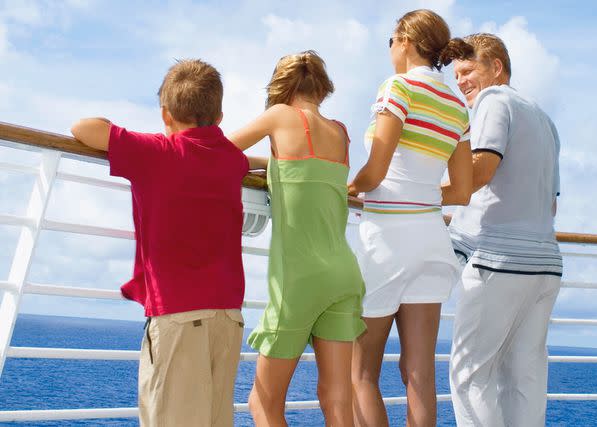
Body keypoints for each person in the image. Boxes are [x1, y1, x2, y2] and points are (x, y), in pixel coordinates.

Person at [70, 59, 248, 427]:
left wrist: (159, 133)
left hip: (179, 316)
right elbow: (240, 159)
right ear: (219, 116)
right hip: (228, 317)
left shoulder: (157, 152)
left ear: (166, 115)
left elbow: (83, 128)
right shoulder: (232, 160)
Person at [349, 9, 473, 427]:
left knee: (361, 372)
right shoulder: (457, 104)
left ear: (404, 40)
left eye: (390, 41)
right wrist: (419, 194)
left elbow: (374, 171)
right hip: (432, 241)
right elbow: (461, 190)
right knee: (419, 374)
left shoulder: (397, 88)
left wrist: (344, 188)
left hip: (387, 241)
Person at [228, 50, 366, 427]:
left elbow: (220, 148)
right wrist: (266, 162)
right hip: (344, 274)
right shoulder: (340, 133)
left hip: (299, 280)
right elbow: (297, 167)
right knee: (337, 401)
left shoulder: (279, 117)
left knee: (263, 403)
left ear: (280, 87)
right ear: (322, 89)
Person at [447, 33, 563, 427]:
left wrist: (418, 193)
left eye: (468, 71)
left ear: (496, 67)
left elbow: (479, 173)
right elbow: (551, 204)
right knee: (524, 376)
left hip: (500, 263)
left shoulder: (493, 101)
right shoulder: (544, 120)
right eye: (457, 75)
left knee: (469, 376)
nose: (461, 81)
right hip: (545, 266)